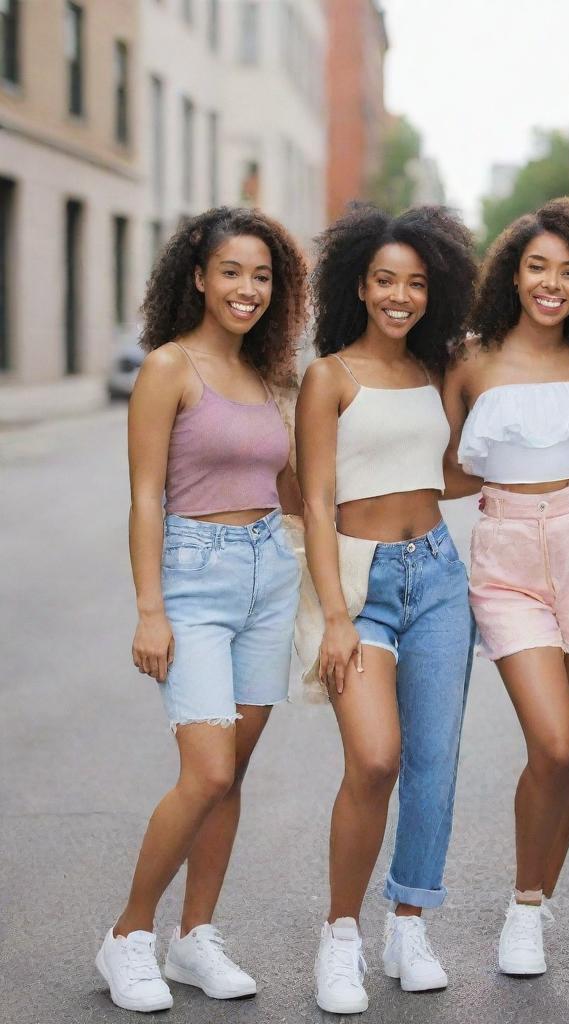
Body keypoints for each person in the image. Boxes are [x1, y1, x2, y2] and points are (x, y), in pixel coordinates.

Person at [96, 208, 307, 1012]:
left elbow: (286, 489)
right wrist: (151, 609)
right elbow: (145, 497)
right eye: (231, 272)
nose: (246, 289)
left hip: (267, 576)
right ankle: (129, 936)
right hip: (194, 576)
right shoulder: (169, 368)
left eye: (261, 276)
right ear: (198, 275)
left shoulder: (267, 374)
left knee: (232, 775)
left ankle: (195, 937)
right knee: (207, 770)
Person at [442, 197, 569, 977]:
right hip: (506, 553)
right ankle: (524, 904)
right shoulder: (470, 357)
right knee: (551, 741)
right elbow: (446, 469)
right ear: (512, 273)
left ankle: (538, 903)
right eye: (538, 267)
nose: (552, 284)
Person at [296, 204, 477, 1015]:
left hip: (436, 572)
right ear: (358, 286)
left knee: (432, 765)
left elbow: (452, 468)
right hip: (360, 584)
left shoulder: (440, 370)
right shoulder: (329, 377)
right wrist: (335, 613)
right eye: (384, 281)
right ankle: (340, 937)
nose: (399, 296)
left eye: (414, 283)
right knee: (375, 759)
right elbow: (318, 497)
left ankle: (409, 924)